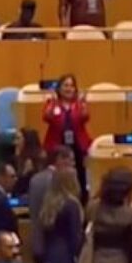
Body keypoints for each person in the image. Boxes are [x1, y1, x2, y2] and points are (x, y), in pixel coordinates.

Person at [42, 75, 91, 203]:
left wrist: (82, 103)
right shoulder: (52, 103)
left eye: (71, 86)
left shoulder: (79, 104)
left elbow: (85, 117)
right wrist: (53, 102)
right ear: (59, 88)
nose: (69, 89)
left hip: (78, 147)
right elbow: (47, 117)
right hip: (57, 146)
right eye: (65, 85)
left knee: (80, 177)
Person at [32, 168, 83, 263]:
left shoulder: (48, 205)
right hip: (68, 258)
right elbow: (75, 237)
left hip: (49, 256)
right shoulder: (72, 205)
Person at [12, 128, 46, 196]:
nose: (15, 143)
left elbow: (19, 190)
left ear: (28, 141)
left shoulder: (32, 162)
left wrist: (24, 174)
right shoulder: (17, 160)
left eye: (18, 139)